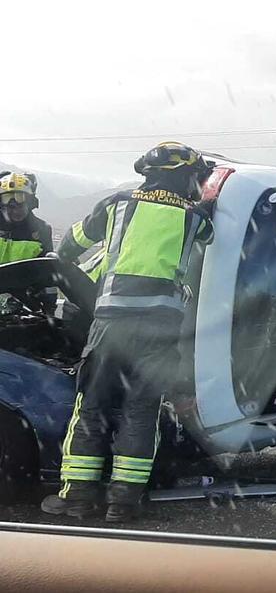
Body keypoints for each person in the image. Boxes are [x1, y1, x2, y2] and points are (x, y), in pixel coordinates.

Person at [41, 142, 213, 522]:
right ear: (184, 176)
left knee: (92, 409)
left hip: (111, 324)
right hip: (160, 330)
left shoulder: (117, 204)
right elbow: (208, 238)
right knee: (141, 411)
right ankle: (123, 502)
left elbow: (70, 246)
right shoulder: (197, 218)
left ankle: (78, 499)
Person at [0, 172, 57, 314]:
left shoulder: (42, 230)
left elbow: (47, 273)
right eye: (9, 204)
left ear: (30, 202)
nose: (15, 209)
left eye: (20, 202)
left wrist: (49, 309)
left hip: (25, 305)